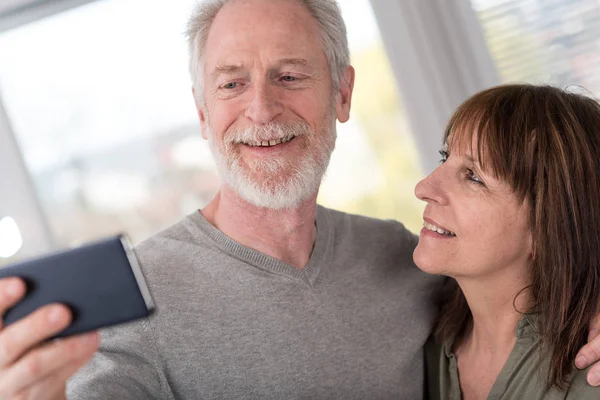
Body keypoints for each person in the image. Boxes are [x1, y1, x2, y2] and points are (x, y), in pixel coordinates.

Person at [0, 1, 599, 399]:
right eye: (232, 83)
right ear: (203, 112)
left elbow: (543, 272)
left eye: (290, 76)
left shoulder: (402, 258)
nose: (261, 110)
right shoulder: (132, 306)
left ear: (342, 92)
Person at [415, 84, 600, 399]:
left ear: (546, 227)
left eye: (473, 176)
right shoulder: (421, 338)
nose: (424, 186)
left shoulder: (588, 379)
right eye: (445, 157)